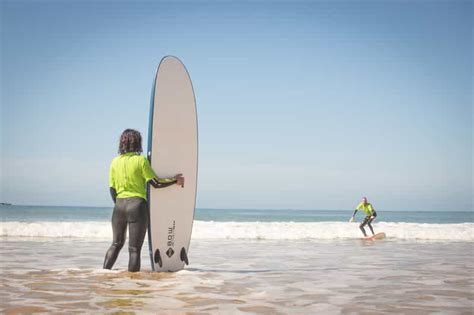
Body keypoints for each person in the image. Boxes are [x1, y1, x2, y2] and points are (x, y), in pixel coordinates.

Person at [103, 129, 184, 272]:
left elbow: (112, 189)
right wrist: (174, 180)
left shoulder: (114, 162)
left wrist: (120, 205)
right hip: (137, 206)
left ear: (122, 143)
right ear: (138, 143)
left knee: (116, 244)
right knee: (134, 249)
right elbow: (156, 183)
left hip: (119, 207)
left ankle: (103, 273)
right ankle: (133, 285)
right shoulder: (141, 161)